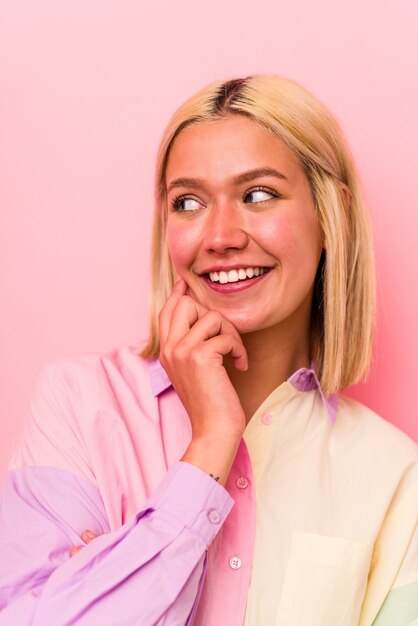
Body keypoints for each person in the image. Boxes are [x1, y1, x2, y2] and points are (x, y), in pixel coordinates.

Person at [0, 74, 417, 626]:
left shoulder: (392, 473)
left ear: (329, 216)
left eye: (259, 194)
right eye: (189, 201)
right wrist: (211, 444)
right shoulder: (78, 402)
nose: (219, 236)